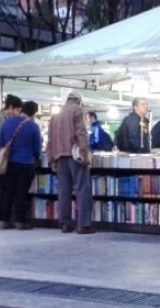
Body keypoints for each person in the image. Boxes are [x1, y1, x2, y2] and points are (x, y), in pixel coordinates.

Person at [48, 92, 95, 234]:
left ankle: (65, 223)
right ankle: (83, 225)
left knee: (64, 191)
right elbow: (81, 133)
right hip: (75, 156)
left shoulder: (55, 114)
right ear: (79, 101)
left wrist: (51, 159)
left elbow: (50, 140)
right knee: (82, 189)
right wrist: (85, 153)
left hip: (59, 157)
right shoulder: (77, 110)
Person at [0, 101, 42, 230]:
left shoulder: (7, 123)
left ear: (22, 109)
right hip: (26, 163)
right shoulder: (33, 126)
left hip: (10, 163)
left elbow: (1, 142)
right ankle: (20, 220)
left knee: (8, 191)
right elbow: (36, 149)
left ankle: (5, 219)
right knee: (21, 192)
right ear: (34, 113)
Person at [0, 95, 23, 223]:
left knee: (5, 188)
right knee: (2, 189)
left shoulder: (6, 118)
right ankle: (0, 215)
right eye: (16, 110)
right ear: (9, 107)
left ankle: (3, 214)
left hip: (6, 157)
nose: (17, 113)